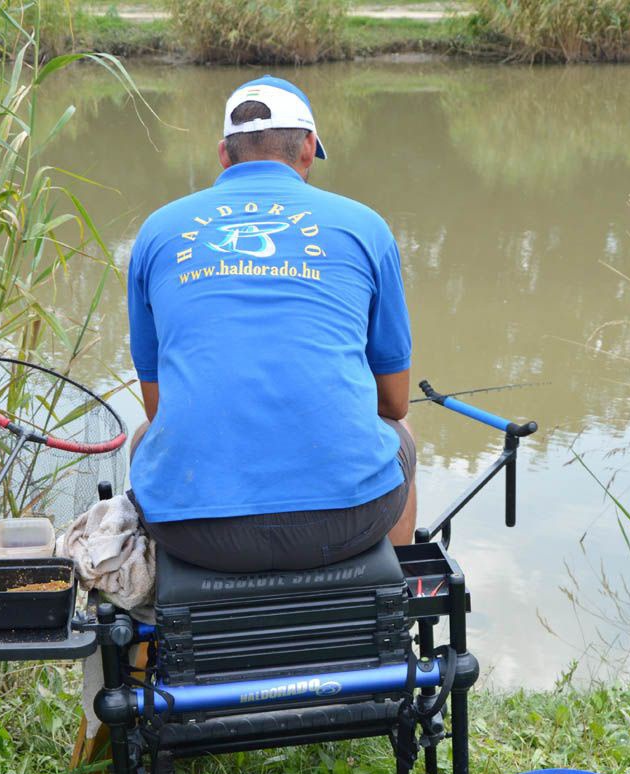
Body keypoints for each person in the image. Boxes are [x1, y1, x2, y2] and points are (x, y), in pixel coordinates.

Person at [125, 75, 415, 573]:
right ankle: (395, 600)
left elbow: (159, 405)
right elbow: (394, 400)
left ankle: (161, 632)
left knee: (141, 438)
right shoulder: (364, 225)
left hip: (191, 531)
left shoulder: (157, 231)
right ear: (307, 148)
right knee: (401, 429)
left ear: (223, 154)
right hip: (347, 520)